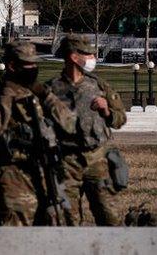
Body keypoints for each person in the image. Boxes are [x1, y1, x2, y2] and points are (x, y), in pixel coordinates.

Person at [0, 41, 76, 226]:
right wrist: (8, 94)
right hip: (14, 175)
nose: (33, 68)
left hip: (47, 174)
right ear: (13, 66)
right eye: (28, 64)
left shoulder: (39, 92)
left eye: (35, 64)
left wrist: (46, 95)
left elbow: (69, 125)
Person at [46, 34, 127, 226]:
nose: (92, 58)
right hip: (66, 162)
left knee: (110, 217)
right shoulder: (50, 89)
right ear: (74, 57)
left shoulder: (98, 86)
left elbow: (119, 119)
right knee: (66, 221)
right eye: (88, 54)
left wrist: (107, 109)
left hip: (97, 160)